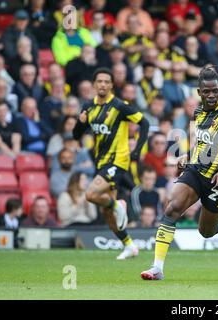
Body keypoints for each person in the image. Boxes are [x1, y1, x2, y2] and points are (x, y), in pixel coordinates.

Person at [141, 66, 218, 280]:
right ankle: (157, 268)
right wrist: (186, 156)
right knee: (173, 208)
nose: (211, 95)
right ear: (199, 92)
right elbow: (201, 143)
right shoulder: (198, 112)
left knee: (208, 231)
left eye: (215, 91)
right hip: (196, 170)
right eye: (206, 92)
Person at [72, 68, 149, 260]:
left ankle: (118, 204)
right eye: (100, 81)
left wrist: (137, 150)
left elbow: (144, 122)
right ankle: (129, 245)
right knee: (107, 212)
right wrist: (80, 123)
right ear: (94, 84)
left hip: (118, 160)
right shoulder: (88, 106)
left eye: (107, 81)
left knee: (91, 194)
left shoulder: (120, 106)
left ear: (112, 85)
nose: (103, 85)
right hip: (101, 161)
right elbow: (76, 135)